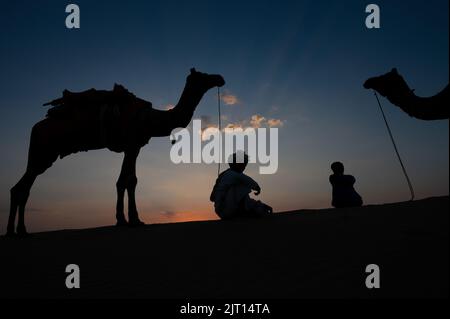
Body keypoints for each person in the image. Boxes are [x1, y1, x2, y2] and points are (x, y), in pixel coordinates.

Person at [210, 152, 273, 220]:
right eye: (242, 164)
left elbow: (212, 198)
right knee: (240, 187)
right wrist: (257, 187)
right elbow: (246, 180)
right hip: (227, 210)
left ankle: (254, 209)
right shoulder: (232, 175)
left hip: (221, 211)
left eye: (245, 165)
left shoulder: (223, 176)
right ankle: (244, 211)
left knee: (238, 186)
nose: (244, 167)